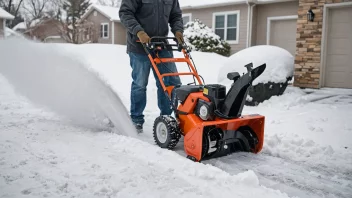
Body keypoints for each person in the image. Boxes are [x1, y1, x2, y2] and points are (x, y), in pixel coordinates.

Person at [119, 0, 184, 133]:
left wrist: (178, 31)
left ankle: (166, 119)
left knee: (171, 82)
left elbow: (175, 15)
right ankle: (136, 120)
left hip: (162, 44)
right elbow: (125, 13)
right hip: (139, 45)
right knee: (140, 84)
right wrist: (139, 32)